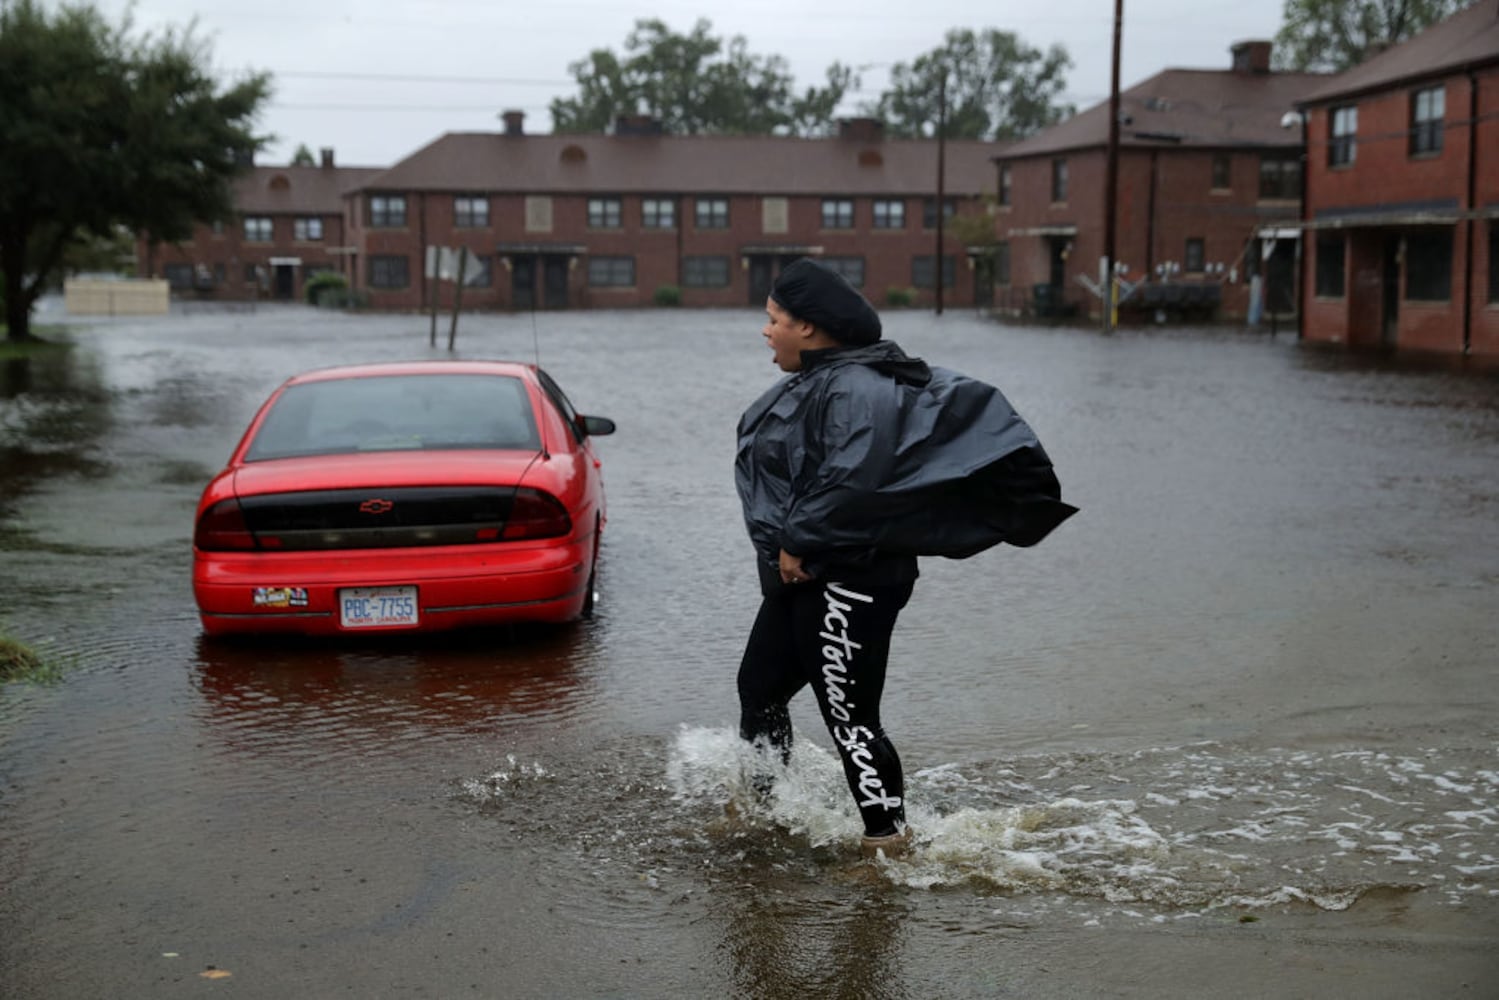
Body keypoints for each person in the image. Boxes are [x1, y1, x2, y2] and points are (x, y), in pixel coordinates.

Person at [733, 257, 1076, 859]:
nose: (766, 331)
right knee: (758, 688)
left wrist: (796, 541)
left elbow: (853, 479)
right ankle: (764, 812)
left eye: (774, 320)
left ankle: (888, 845)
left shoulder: (857, 387)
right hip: (806, 572)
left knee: (850, 717)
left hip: (851, 576)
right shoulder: (823, 379)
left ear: (808, 327)